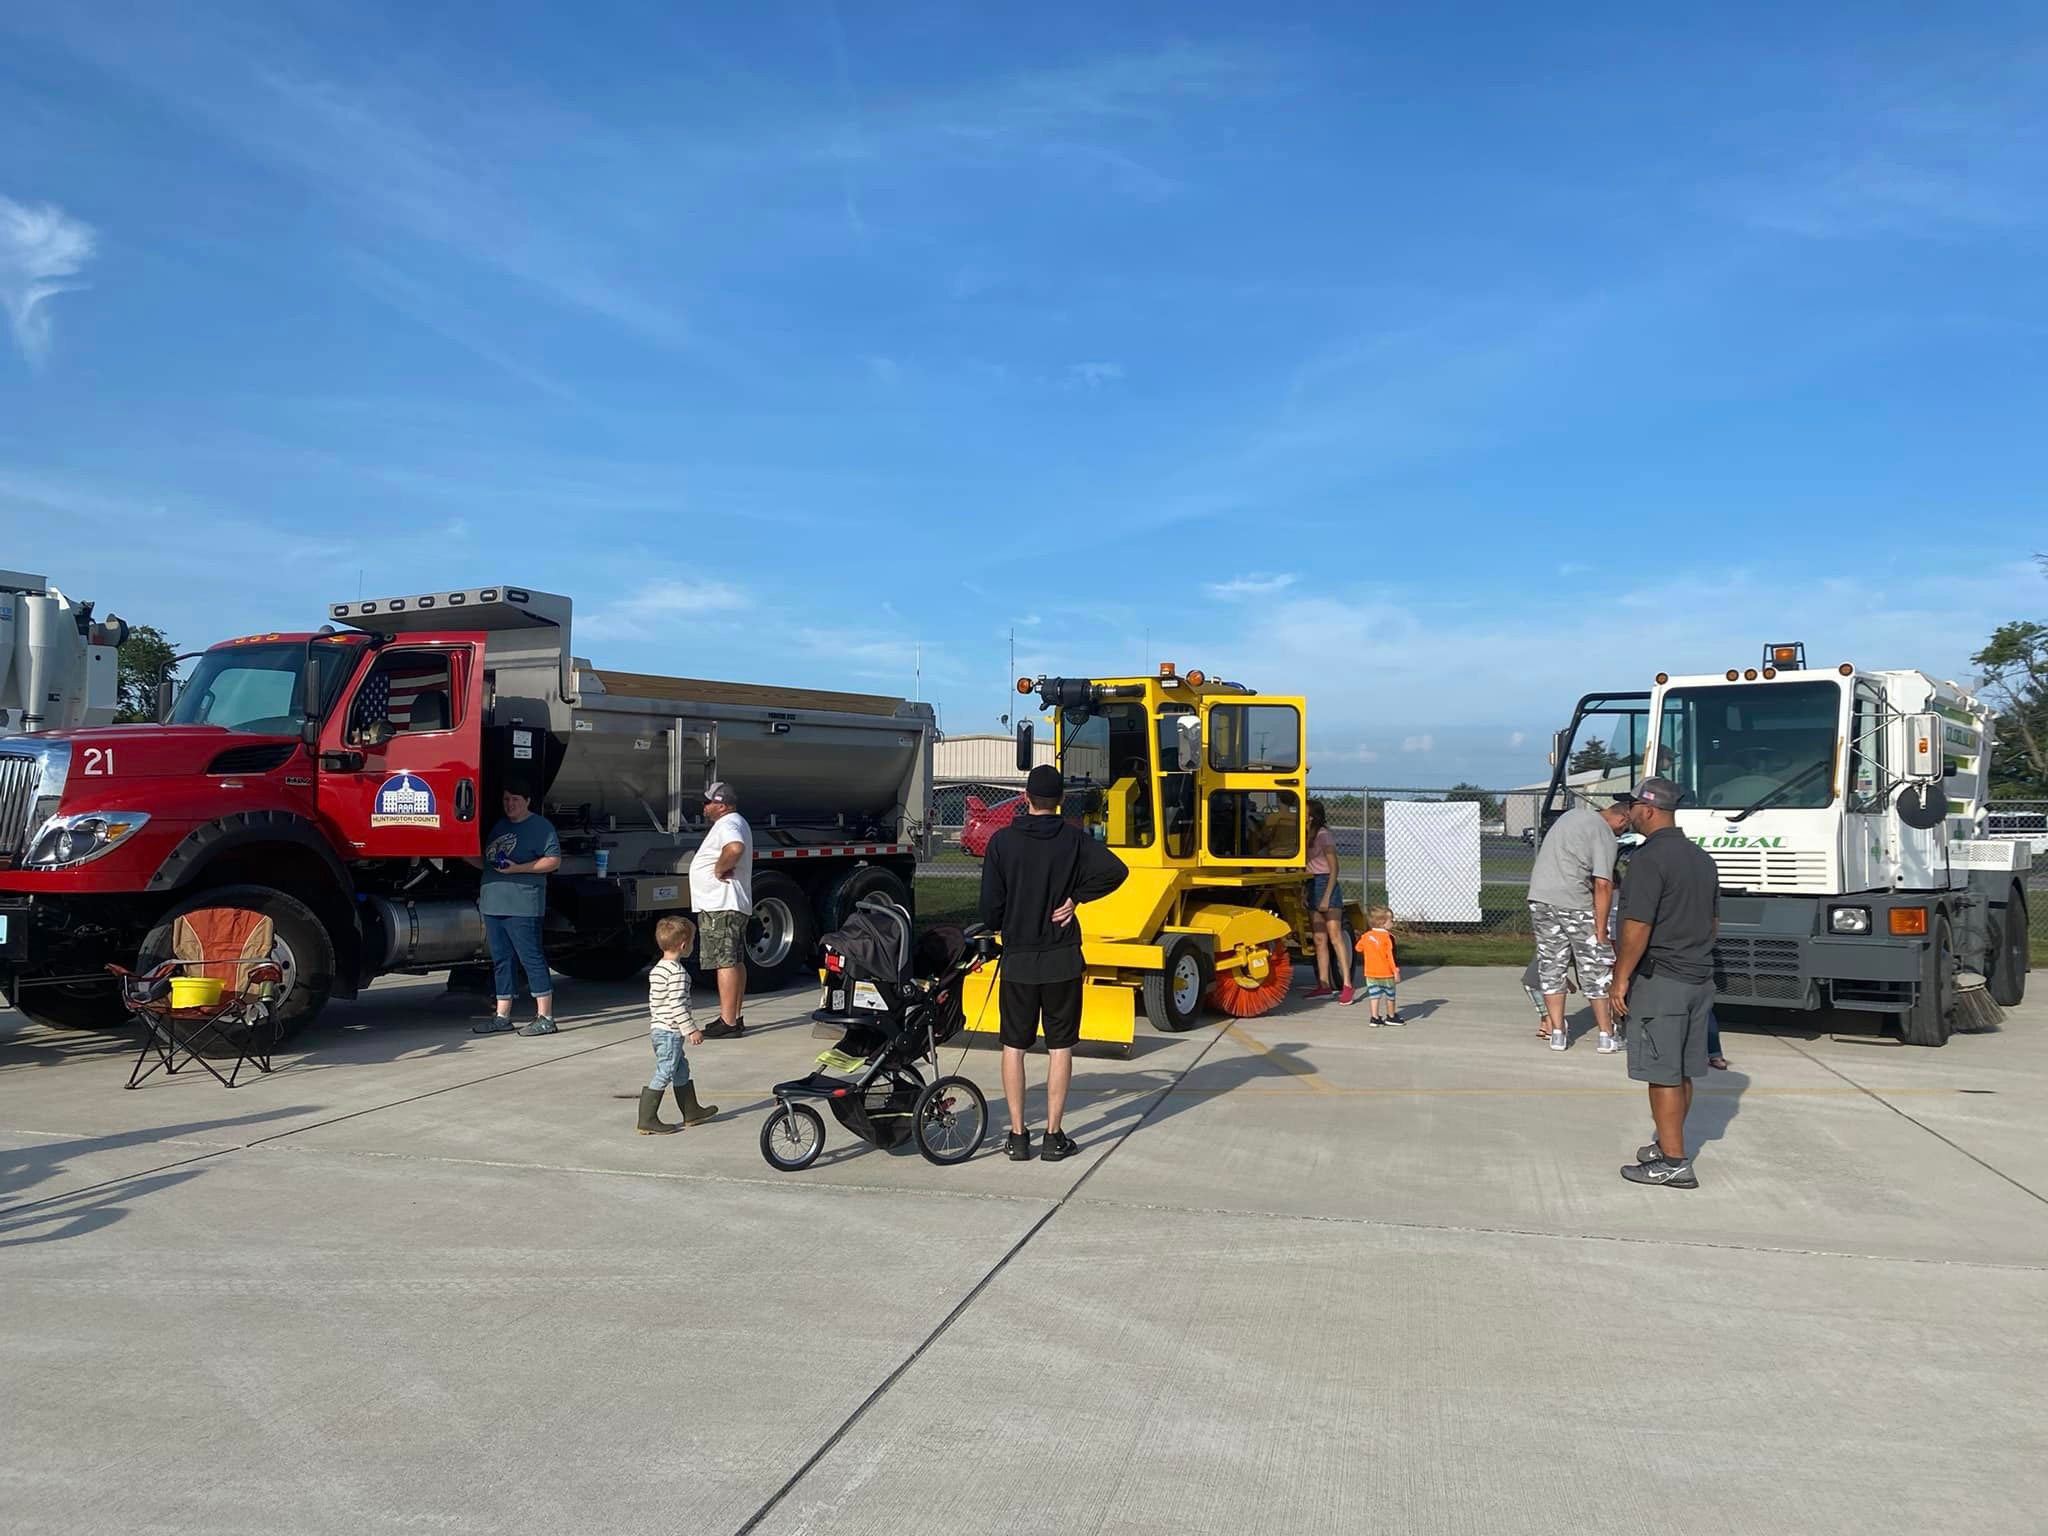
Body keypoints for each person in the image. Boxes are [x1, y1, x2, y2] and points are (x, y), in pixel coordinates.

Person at [979, 763, 1129, 1163]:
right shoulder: (1074, 839)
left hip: (1019, 960)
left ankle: (1016, 1135)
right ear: (1061, 801)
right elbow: (1117, 871)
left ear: (1025, 799)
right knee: (1060, 1046)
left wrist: (1004, 921)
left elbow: (990, 910)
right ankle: (1053, 1136)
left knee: (1014, 1045)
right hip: (1062, 958)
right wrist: (1076, 897)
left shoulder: (1002, 843)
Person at [1611, 777, 1720, 1189]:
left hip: (1663, 980)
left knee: (1662, 1073)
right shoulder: (1699, 857)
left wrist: (1620, 978)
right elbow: (1714, 923)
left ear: (1649, 809)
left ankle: (1673, 1161)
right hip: (1698, 976)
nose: (1629, 813)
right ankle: (1667, 1144)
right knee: (1683, 1070)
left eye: (1633, 806)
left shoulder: (1648, 859)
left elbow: (1638, 924)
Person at [1526, 795, 1633, 1054]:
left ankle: (1557, 1032)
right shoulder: (1605, 834)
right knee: (1595, 969)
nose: (1621, 833)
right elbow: (1604, 884)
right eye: (1624, 828)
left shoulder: (1571, 816)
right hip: (1575, 903)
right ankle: (1607, 1035)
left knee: (1552, 965)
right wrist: (1601, 929)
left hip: (1540, 898)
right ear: (1622, 818)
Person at [471, 783, 562, 1036]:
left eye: (515, 799)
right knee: (501, 960)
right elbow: (488, 863)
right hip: (493, 902)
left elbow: (553, 861)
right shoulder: (500, 826)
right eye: (507, 799)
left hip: (522, 905)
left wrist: (517, 869)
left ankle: (546, 1016)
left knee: (530, 958)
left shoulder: (540, 827)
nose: (510, 804)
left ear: (528, 800)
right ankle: (502, 1016)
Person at [639, 915, 716, 1134]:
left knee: (680, 1068)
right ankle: (647, 1119)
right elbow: (677, 1005)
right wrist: (691, 1029)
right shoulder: (677, 973)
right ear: (684, 945)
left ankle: (691, 1112)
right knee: (665, 1071)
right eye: (692, 941)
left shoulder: (658, 969)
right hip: (670, 1032)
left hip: (659, 1029)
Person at [690, 782, 753, 1039]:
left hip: (721, 904)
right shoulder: (733, 822)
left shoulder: (728, 824)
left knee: (724, 961)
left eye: (708, 803)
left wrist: (717, 869)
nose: (704, 807)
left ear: (722, 805)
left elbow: (735, 848)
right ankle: (733, 1017)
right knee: (734, 960)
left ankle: (727, 1021)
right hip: (728, 903)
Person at [1303, 800, 1353, 1004]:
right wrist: (1304, 891)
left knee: (1334, 936)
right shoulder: (1304, 835)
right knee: (1319, 938)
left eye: (1303, 811)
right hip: (1310, 882)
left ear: (1312, 816)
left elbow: (1334, 868)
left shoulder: (1323, 835)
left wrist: (1326, 896)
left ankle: (1347, 985)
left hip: (1326, 883)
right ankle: (1323, 984)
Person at [1353, 906, 1403, 1025]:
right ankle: (1391, 1017)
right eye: (1391, 920)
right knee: (1390, 995)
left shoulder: (1366, 936)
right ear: (1383, 922)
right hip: (1386, 973)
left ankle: (1374, 1018)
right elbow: (1391, 957)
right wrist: (1396, 971)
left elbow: (1358, 948)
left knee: (1374, 995)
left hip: (1370, 973)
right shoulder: (1389, 937)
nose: (1392, 923)